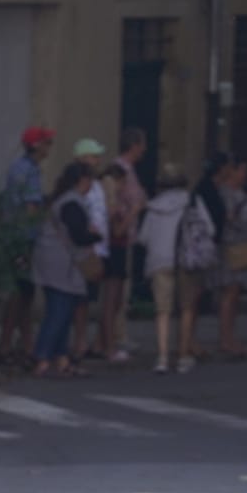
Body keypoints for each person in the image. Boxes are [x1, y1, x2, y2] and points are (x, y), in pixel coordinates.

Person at [30, 162, 101, 379]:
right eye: (90, 180)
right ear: (83, 180)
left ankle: (61, 358)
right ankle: (42, 357)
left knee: (62, 309)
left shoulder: (64, 200)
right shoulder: (71, 203)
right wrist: (96, 235)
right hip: (61, 263)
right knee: (59, 311)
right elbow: (79, 235)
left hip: (54, 260)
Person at [136, 161, 202, 374]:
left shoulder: (153, 207)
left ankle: (162, 357)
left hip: (159, 260)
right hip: (185, 259)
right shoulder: (192, 202)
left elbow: (143, 237)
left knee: (162, 311)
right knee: (186, 308)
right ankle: (183, 355)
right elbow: (206, 228)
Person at [0, 127, 53, 364]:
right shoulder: (31, 172)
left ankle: (15, 342)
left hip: (12, 235)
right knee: (23, 291)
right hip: (25, 238)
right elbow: (31, 208)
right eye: (47, 143)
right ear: (36, 145)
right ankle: (14, 343)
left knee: (20, 290)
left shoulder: (15, 167)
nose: (49, 148)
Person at [102, 129, 149, 361]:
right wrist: (133, 210)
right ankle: (113, 339)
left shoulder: (128, 171)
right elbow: (129, 206)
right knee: (115, 293)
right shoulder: (120, 171)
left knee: (119, 292)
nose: (145, 150)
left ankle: (111, 337)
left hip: (125, 237)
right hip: (118, 239)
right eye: (142, 144)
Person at [68, 138, 111, 360]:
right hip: (85, 248)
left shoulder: (97, 185)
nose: (97, 160)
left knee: (88, 297)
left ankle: (85, 340)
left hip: (98, 248)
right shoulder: (77, 186)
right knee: (79, 298)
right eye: (93, 156)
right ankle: (78, 342)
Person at [212, 155, 247, 358]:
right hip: (231, 245)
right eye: (242, 171)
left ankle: (231, 337)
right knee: (229, 294)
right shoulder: (226, 193)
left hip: (243, 244)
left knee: (235, 294)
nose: (245, 175)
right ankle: (225, 339)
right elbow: (230, 218)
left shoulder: (240, 193)